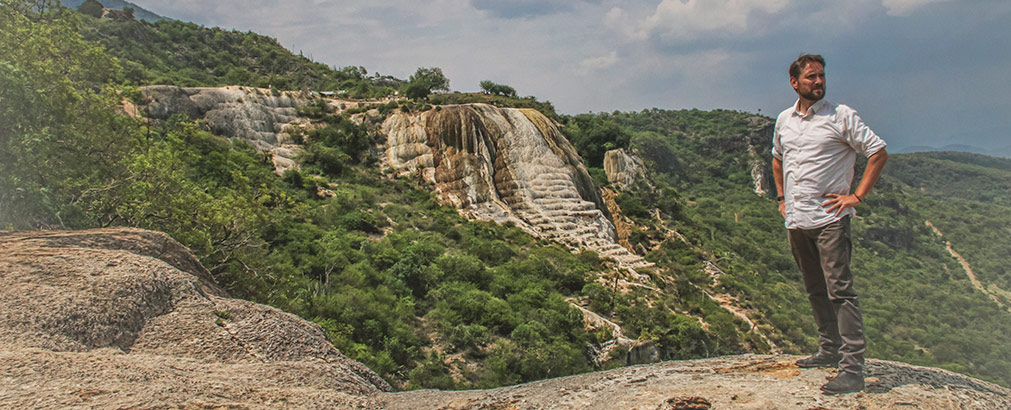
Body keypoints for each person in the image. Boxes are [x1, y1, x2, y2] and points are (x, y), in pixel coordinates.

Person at [771, 54, 889, 395]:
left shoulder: (841, 116)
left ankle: (853, 369)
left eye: (821, 76)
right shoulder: (784, 120)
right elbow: (777, 158)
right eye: (811, 78)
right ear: (795, 82)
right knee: (814, 288)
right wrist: (781, 199)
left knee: (840, 291)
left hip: (830, 220)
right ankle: (829, 349)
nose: (818, 82)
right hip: (797, 219)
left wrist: (856, 197)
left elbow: (877, 152)